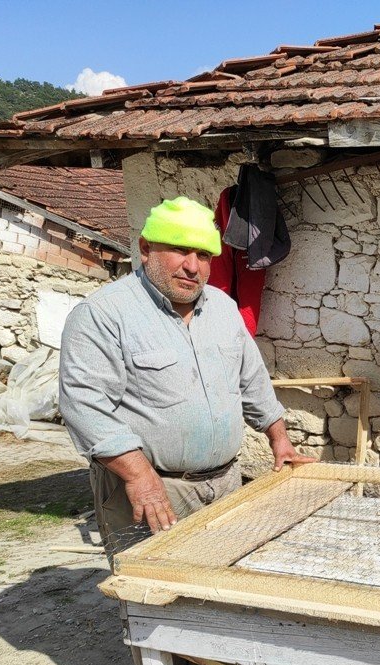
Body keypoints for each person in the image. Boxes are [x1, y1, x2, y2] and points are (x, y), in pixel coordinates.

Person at [59, 197, 313, 560]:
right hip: (155, 489)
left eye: (204, 255)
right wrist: (138, 477)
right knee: (156, 594)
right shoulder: (102, 315)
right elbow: (85, 406)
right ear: (145, 249)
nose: (193, 267)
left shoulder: (223, 308)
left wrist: (280, 441)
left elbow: (252, 379)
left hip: (226, 482)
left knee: (220, 581)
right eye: (179, 250)